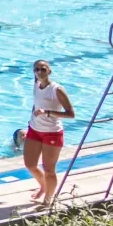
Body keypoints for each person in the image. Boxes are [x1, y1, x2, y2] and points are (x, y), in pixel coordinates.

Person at [23, 59, 76, 205]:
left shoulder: (56, 90)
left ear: (49, 71)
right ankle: (44, 186)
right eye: (37, 69)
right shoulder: (36, 84)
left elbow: (71, 114)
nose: (39, 72)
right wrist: (32, 117)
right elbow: (36, 103)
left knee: (49, 170)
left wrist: (47, 112)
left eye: (43, 69)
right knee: (30, 164)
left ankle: (48, 200)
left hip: (52, 133)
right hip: (34, 129)